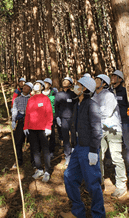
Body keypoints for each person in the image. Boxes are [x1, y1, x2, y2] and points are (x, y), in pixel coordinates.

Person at [61, 76, 105, 218]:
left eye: (78, 85)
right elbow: (74, 127)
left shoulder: (92, 105)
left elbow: (97, 130)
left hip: (89, 149)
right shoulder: (76, 104)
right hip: (78, 147)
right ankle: (77, 212)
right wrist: (74, 145)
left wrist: (93, 150)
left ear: (85, 89)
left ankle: (98, 214)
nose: (75, 87)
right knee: (69, 177)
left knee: (92, 183)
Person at [93, 74, 127, 198]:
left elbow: (107, 113)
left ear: (104, 83)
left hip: (113, 129)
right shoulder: (94, 96)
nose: (95, 81)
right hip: (100, 129)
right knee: (98, 156)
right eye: (95, 79)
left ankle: (121, 186)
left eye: (98, 80)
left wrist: (94, 114)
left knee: (116, 157)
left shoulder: (109, 95)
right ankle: (99, 183)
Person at [24, 80, 53, 183]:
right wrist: (25, 127)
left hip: (43, 129)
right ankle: (39, 169)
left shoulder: (45, 99)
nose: (36, 86)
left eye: (38, 84)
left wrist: (49, 126)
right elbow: (27, 113)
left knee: (45, 150)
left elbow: (49, 113)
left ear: (41, 87)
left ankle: (47, 171)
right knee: (35, 150)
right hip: (32, 129)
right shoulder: (31, 99)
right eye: (35, 84)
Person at [54, 77, 77, 165]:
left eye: (67, 81)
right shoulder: (58, 94)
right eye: (63, 81)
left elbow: (76, 106)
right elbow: (56, 107)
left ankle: (75, 154)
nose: (64, 82)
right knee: (65, 138)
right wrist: (57, 117)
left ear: (70, 84)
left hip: (73, 119)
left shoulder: (74, 94)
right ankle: (68, 156)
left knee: (74, 137)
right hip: (63, 119)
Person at [111, 70, 129, 175]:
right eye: (112, 75)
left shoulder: (124, 91)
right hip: (113, 123)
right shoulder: (109, 91)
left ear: (120, 79)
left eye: (115, 76)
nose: (112, 77)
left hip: (124, 122)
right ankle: (116, 169)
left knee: (127, 145)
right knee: (114, 147)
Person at [11, 82, 33, 167]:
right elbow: (14, 110)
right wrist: (13, 120)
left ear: (30, 90)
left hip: (30, 122)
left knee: (32, 141)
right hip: (20, 122)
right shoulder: (17, 99)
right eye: (24, 86)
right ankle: (18, 160)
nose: (25, 88)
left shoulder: (31, 99)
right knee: (18, 141)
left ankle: (33, 160)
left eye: (27, 87)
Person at [42, 78, 58, 159]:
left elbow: (56, 103)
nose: (45, 84)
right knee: (43, 134)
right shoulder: (40, 93)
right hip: (41, 116)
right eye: (44, 83)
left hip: (52, 115)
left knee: (51, 134)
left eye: (47, 83)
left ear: (50, 85)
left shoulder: (53, 93)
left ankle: (51, 151)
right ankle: (44, 150)